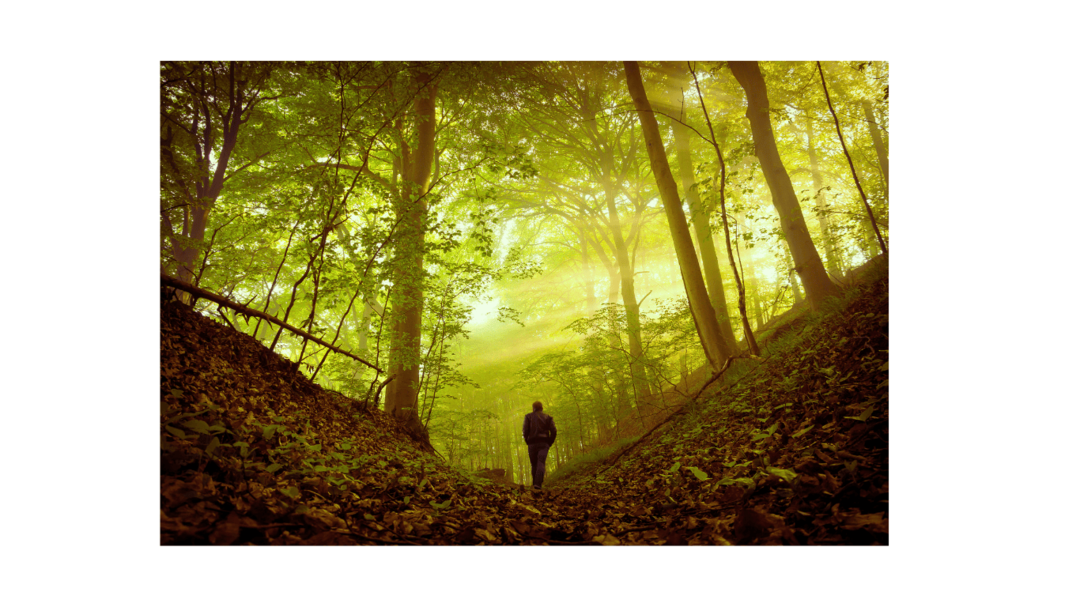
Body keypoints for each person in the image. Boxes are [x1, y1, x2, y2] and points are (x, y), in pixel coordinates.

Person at [522, 400, 556, 490]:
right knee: (541, 462)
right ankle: (538, 484)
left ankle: (535, 485)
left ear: (533, 408)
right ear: (542, 408)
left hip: (532, 443)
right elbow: (554, 431)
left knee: (534, 464)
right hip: (544, 443)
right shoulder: (548, 417)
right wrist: (549, 442)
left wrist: (527, 441)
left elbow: (525, 430)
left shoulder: (528, 416)